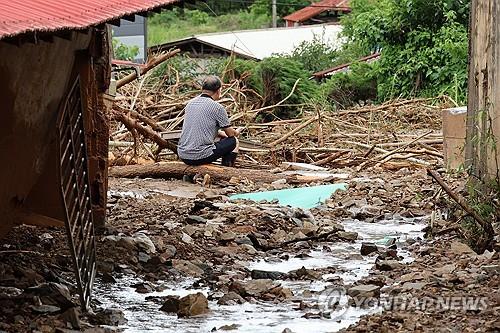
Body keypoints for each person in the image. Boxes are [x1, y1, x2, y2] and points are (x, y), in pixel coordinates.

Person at [177, 76, 241, 167]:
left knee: (219, 139)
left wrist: (220, 133)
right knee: (234, 141)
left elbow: (200, 126)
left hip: (183, 154)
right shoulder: (217, 107)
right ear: (219, 90)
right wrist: (237, 132)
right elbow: (231, 134)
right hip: (200, 156)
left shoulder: (190, 103)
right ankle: (226, 172)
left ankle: (193, 174)